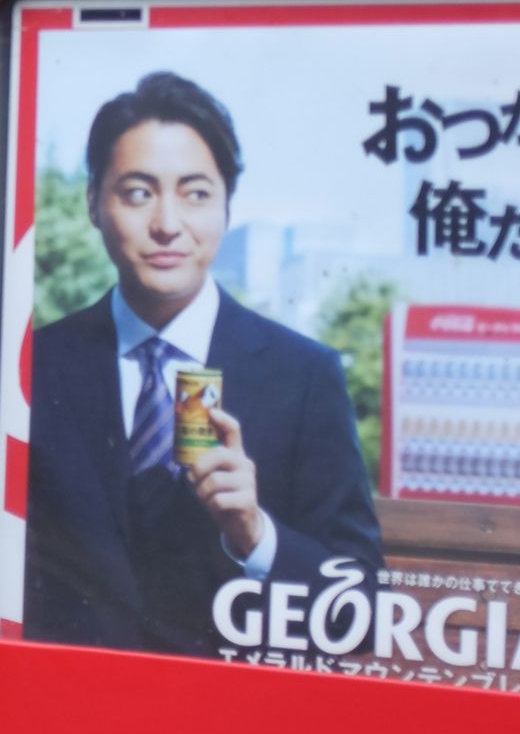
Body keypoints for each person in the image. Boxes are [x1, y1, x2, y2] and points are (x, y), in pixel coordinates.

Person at [23, 69, 382, 657]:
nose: (167, 224)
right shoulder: (36, 365)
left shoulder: (304, 376)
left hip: (236, 718)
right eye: (137, 192)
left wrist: (254, 534)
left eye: (195, 193)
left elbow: (363, 610)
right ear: (93, 202)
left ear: (227, 207)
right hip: (67, 708)